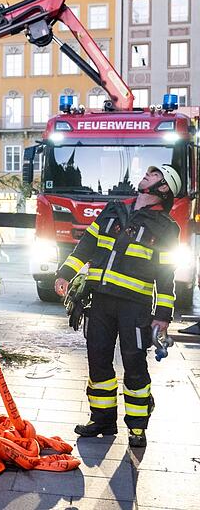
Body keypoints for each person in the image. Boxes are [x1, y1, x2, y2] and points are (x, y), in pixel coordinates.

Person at [54, 165, 181, 448]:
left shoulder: (167, 228)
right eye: (148, 172)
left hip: (135, 308)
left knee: (134, 365)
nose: (147, 174)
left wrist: (162, 316)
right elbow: (86, 246)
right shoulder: (114, 210)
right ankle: (102, 420)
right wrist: (65, 273)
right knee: (98, 361)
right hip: (99, 302)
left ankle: (137, 427)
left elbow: (166, 274)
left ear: (163, 189)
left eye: (155, 174)